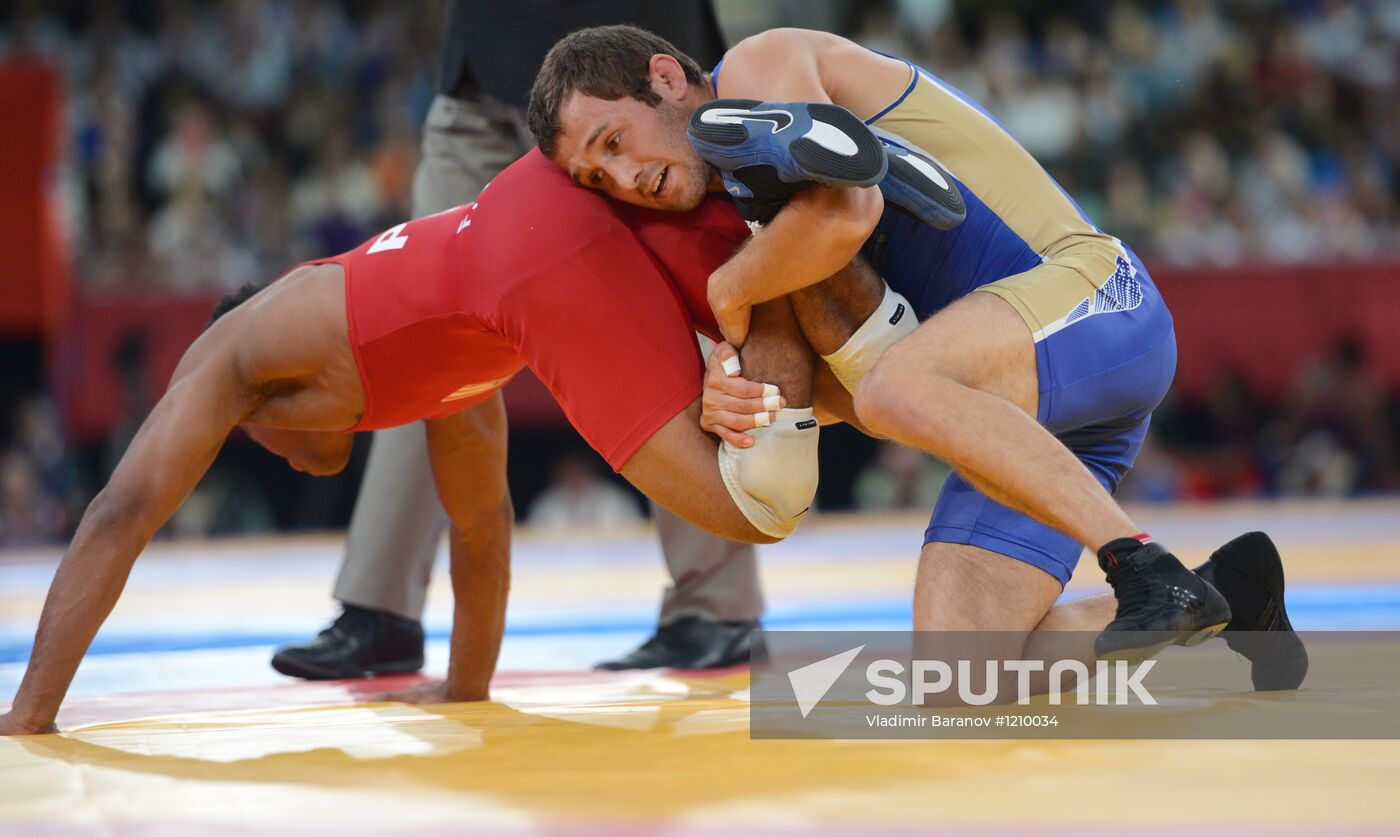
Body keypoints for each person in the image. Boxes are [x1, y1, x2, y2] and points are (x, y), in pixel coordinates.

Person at [0, 149, 859, 736]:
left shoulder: (234, 351)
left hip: (528, 246)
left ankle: (811, 211)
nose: (270, 449)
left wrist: (26, 716)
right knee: (847, 386)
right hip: (531, 247)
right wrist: (466, 692)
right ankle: (822, 235)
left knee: (760, 501)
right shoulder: (440, 359)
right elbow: (480, 525)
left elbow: (121, 509)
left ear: (250, 402)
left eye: (250, 437)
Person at [526, 25, 1308, 668]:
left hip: (1093, 295)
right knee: (962, 676)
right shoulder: (763, 241)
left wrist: (732, 294)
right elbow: (864, 404)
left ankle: (1142, 562)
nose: (626, 177)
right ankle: (1229, 590)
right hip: (1024, 407)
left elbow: (846, 203)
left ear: (666, 77)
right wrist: (744, 398)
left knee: (893, 381)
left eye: (615, 140)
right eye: (599, 177)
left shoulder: (755, 67)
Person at [270, 0, 762, 682]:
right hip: (482, 83)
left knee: (680, 306)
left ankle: (716, 606)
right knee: (418, 330)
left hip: (621, 83)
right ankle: (378, 608)